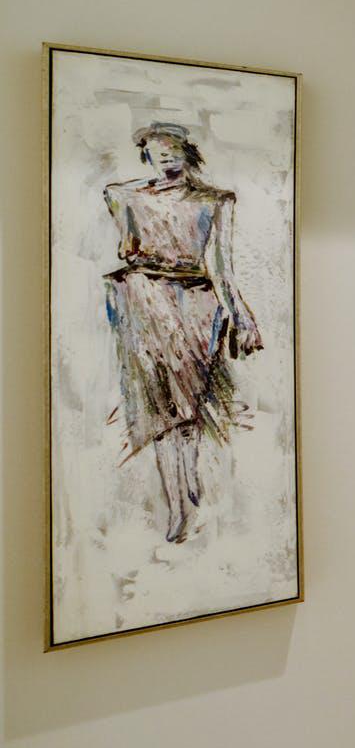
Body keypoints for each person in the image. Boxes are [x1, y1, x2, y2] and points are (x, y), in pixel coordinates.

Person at [103, 123, 262, 543]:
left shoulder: (214, 200)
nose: (166, 156)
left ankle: (188, 486)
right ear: (146, 156)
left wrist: (242, 316)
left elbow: (221, 266)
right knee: (157, 410)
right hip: (143, 302)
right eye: (156, 150)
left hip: (196, 303)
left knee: (188, 408)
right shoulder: (125, 197)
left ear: (187, 152)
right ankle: (176, 504)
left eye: (173, 148)